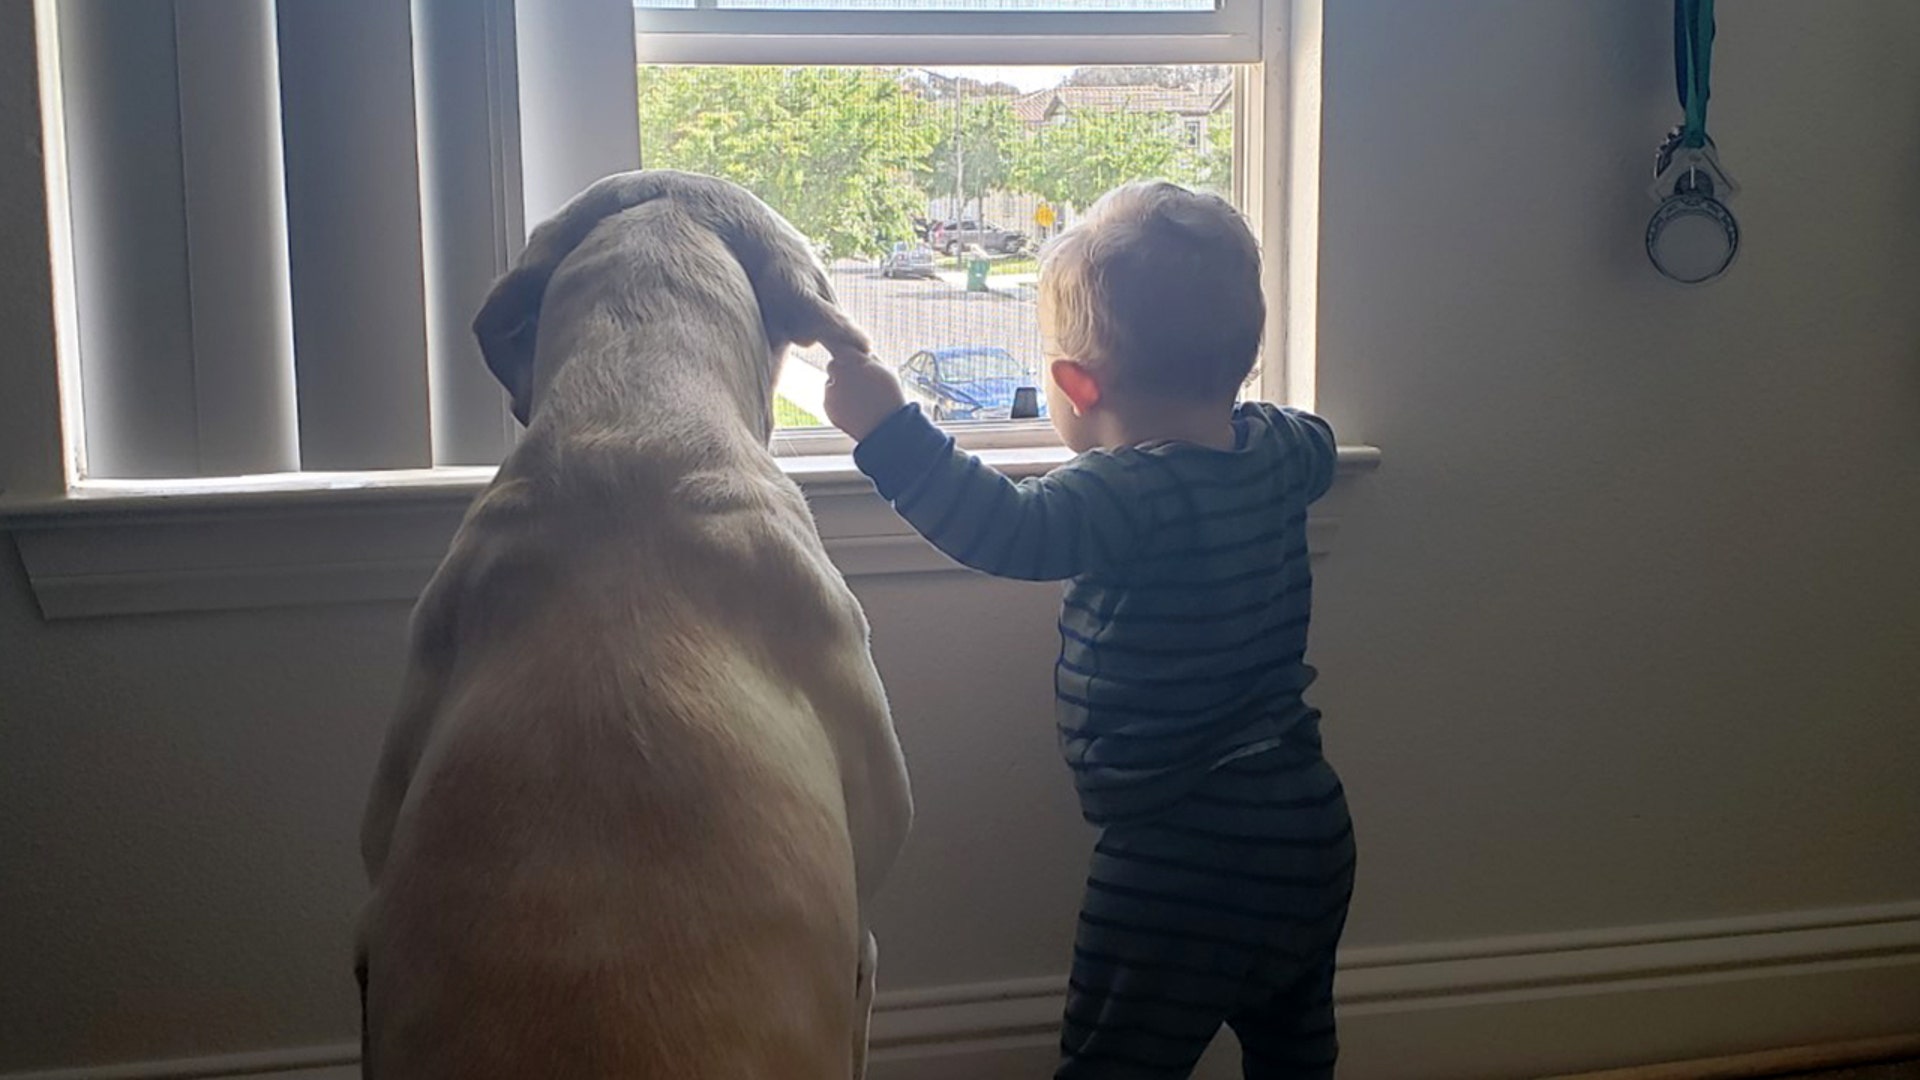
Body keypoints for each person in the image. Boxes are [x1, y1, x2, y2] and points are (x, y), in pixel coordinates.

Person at [823, 180, 1353, 1079]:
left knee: (1117, 1063)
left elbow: (1008, 528)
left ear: (1073, 384)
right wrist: (1247, 408)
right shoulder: (1273, 450)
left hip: (1176, 857)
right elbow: (1323, 445)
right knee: (1294, 1048)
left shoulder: (1125, 491)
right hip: (1307, 821)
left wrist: (886, 429)